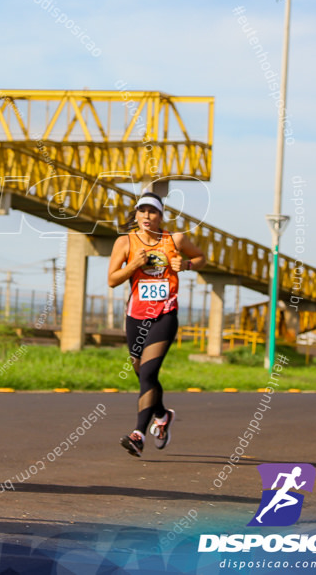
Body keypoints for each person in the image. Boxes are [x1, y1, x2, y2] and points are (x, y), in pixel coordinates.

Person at [107, 191, 205, 458]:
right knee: (142, 373)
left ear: (161, 216)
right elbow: (112, 280)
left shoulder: (175, 239)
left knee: (149, 373)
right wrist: (133, 266)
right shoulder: (125, 242)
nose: (147, 217)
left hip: (164, 314)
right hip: (136, 316)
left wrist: (186, 264)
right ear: (136, 215)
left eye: (152, 212)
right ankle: (162, 415)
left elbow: (201, 258)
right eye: (142, 211)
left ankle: (138, 434)